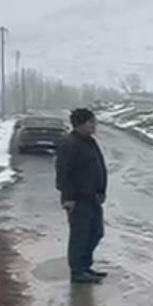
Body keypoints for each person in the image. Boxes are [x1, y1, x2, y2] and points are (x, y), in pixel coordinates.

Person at [55, 108, 107, 284]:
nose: (94, 126)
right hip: (77, 199)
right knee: (80, 235)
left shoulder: (90, 142)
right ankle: (78, 271)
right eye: (91, 122)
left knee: (96, 232)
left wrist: (101, 190)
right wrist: (68, 198)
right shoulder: (69, 143)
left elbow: (99, 166)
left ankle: (85, 266)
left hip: (93, 197)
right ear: (79, 124)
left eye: (94, 122)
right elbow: (63, 173)